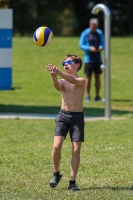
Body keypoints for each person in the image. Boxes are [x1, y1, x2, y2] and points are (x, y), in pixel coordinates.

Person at [46, 54, 86, 191]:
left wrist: (59, 71)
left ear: (77, 65)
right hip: (63, 115)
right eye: (64, 63)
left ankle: (72, 182)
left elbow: (74, 81)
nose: (65, 64)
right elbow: (58, 87)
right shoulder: (63, 81)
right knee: (56, 146)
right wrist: (54, 76)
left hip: (77, 118)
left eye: (68, 62)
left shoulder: (81, 80)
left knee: (76, 149)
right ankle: (56, 173)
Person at [79, 18, 104, 102]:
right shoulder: (85, 33)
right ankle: (87, 96)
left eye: (96, 27)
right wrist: (90, 48)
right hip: (88, 59)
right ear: (90, 25)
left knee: (98, 77)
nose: (94, 28)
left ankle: (97, 95)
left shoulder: (99, 33)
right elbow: (81, 45)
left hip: (98, 59)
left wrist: (100, 47)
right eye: (93, 26)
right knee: (88, 78)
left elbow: (103, 44)